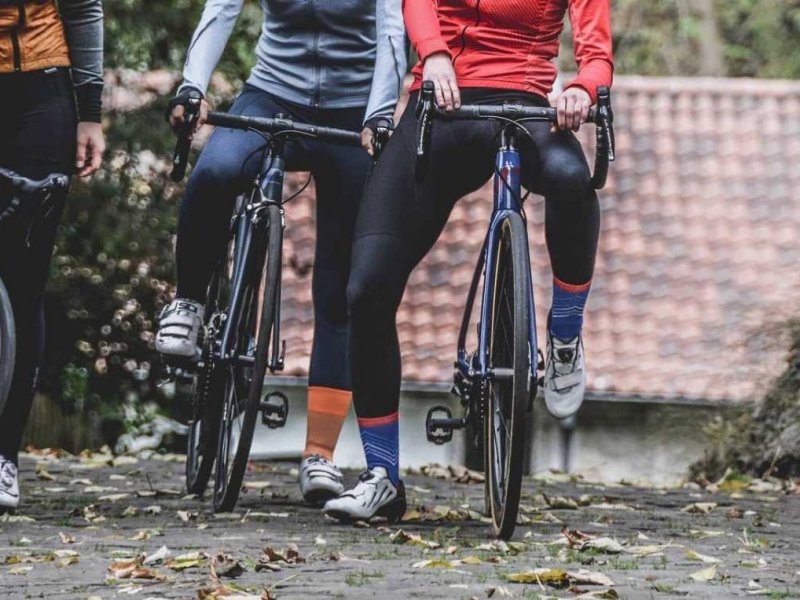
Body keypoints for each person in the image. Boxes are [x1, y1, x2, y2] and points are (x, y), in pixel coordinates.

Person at [323, 0, 613, 521]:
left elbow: (596, 54)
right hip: (444, 105)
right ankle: (382, 475)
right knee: (366, 288)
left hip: (527, 106)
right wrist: (433, 55)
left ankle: (565, 335)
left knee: (573, 182)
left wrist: (580, 89)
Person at [155, 0, 406, 504]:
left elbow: (393, 32)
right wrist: (193, 84)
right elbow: (221, 9)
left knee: (340, 289)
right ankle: (188, 302)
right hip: (273, 93)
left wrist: (379, 112)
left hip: (353, 108)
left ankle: (320, 454)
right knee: (215, 174)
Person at [0, 0, 105, 510]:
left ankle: (3, 456)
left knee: (23, 279)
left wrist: (90, 114)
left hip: (43, 90)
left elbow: (83, 7)